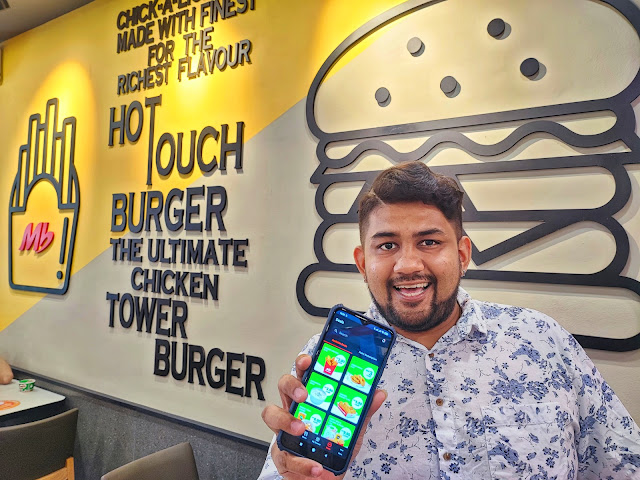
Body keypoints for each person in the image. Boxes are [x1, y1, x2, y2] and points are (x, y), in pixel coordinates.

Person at [259, 161, 640, 479]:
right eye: (387, 245)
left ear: (462, 254)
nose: (408, 265)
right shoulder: (325, 360)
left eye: (429, 242)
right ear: (363, 262)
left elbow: (622, 465)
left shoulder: (541, 340)